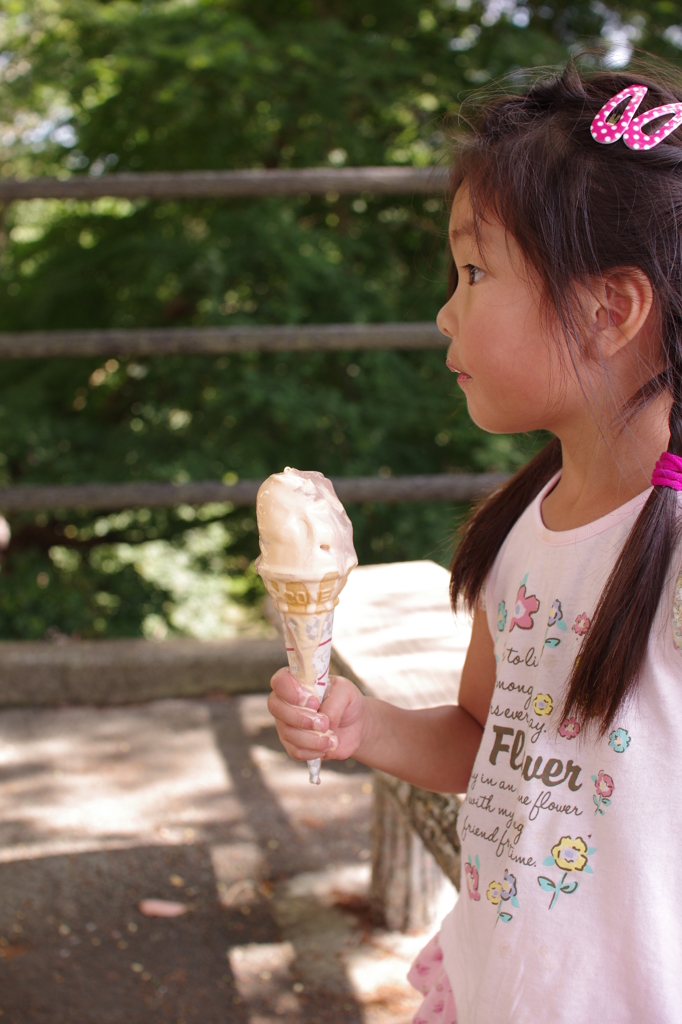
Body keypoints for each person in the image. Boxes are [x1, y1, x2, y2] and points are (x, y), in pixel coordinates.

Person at [267, 61, 682, 1023]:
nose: (447, 311)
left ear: (609, 308)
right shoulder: (518, 532)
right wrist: (361, 725)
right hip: (496, 986)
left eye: (476, 271)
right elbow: (491, 744)